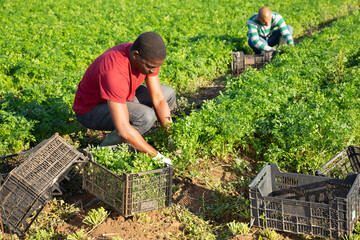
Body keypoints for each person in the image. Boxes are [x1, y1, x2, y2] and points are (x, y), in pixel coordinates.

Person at [72, 32, 175, 165]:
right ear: (136, 55)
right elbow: (123, 129)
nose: (153, 71)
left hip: (121, 97)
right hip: (91, 110)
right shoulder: (114, 72)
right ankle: (100, 155)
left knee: (168, 93)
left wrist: (171, 136)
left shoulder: (147, 57)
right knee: (145, 116)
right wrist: (157, 157)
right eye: (150, 67)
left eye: (156, 67)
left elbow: (159, 99)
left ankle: (138, 138)